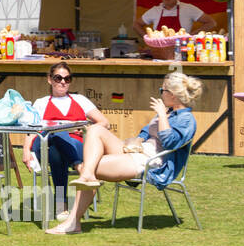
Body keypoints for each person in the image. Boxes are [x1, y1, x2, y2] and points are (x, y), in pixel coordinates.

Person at [46, 71, 203, 234]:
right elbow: (145, 133)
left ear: (173, 95)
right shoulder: (168, 111)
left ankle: (73, 221)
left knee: (90, 168)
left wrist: (162, 115)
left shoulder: (186, 119)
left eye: (162, 90)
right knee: (95, 129)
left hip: (151, 162)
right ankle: (79, 203)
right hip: (138, 151)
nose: (160, 93)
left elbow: (170, 142)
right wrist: (135, 141)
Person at [19, 62, 109, 217]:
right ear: (50, 79)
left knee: (56, 151)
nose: (62, 82)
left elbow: (104, 123)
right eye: (58, 78)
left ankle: (61, 203)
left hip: (73, 144)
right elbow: (32, 129)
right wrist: (26, 150)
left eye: (67, 79)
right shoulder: (41, 102)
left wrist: (87, 129)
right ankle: (80, 168)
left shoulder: (79, 99)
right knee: (54, 133)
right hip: (45, 142)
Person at [133, 0, 216, 43]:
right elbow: (136, 24)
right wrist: (148, 39)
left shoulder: (188, 8)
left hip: (183, 49)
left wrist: (191, 36)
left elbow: (211, 22)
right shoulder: (155, 11)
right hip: (160, 51)